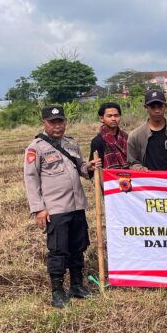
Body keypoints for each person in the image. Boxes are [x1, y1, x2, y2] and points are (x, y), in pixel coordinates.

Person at [24, 105, 101, 308]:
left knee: (78, 247)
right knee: (58, 250)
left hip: (77, 205)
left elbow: (81, 167)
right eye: (52, 122)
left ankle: (77, 285)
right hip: (56, 208)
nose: (57, 126)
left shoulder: (71, 143)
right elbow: (31, 179)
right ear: (44, 123)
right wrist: (39, 209)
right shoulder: (36, 147)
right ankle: (57, 291)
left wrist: (88, 167)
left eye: (60, 122)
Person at [127, 89, 167, 171]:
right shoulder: (135, 136)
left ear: (166, 106)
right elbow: (132, 162)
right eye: (152, 107)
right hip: (148, 178)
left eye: (160, 106)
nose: (157, 111)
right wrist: (141, 169)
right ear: (146, 107)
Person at [89, 102, 128, 168]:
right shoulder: (97, 141)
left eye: (116, 115)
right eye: (109, 116)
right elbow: (94, 167)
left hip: (129, 173)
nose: (113, 119)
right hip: (108, 174)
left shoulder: (126, 137)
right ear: (101, 119)